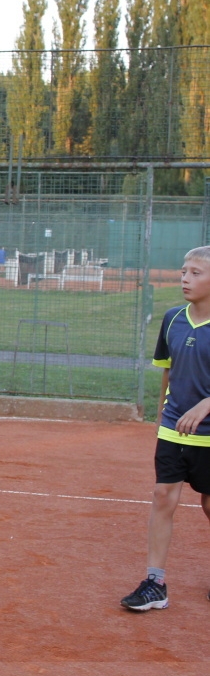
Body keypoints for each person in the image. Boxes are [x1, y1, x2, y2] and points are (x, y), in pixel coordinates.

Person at [121, 246, 210, 611]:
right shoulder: (173, 318)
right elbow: (168, 371)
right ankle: (155, 582)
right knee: (163, 496)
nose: (185, 279)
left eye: (195, 273)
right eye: (183, 271)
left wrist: (206, 403)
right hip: (174, 428)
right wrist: (162, 416)